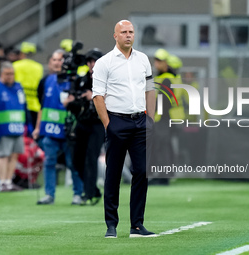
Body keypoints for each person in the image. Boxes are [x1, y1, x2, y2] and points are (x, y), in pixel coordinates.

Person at [92, 20, 156, 238]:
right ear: (115, 36)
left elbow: (150, 89)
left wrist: (151, 119)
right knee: (113, 174)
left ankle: (137, 225)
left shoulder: (143, 59)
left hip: (140, 122)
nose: (128, 35)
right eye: (124, 32)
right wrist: (108, 125)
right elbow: (97, 96)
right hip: (116, 121)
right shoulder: (104, 62)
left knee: (141, 171)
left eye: (131, 32)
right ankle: (111, 225)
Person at [32, 53, 83, 205]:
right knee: (49, 162)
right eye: (53, 59)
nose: (57, 62)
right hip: (49, 130)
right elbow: (42, 106)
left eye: (60, 59)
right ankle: (49, 195)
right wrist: (37, 128)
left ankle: (78, 194)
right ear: (49, 63)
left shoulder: (74, 81)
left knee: (72, 163)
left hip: (69, 131)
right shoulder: (45, 81)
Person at [64, 48, 105, 205]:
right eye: (89, 61)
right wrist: (72, 100)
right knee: (76, 160)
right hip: (81, 122)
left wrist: (94, 96)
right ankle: (92, 189)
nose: (91, 64)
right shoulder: (80, 80)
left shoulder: (108, 80)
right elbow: (70, 103)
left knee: (91, 157)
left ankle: (88, 194)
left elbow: (115, 101)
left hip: (98, 123)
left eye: (94, 61)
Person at [0, 62, 30, 192]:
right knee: (3, 155)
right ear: (1, 74)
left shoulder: (18, 87)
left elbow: (24, 105)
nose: (10, 76)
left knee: (14, 154)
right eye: (7, 74)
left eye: (11, 74)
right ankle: (2, 183)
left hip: (17, 127)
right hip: (3, 128)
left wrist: (28, 123)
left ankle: (8, 181)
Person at [13, 42, 44, 128]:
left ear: (22, 53)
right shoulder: (39, 67)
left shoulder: (15, 65)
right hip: (34, 104)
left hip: (19, 103)